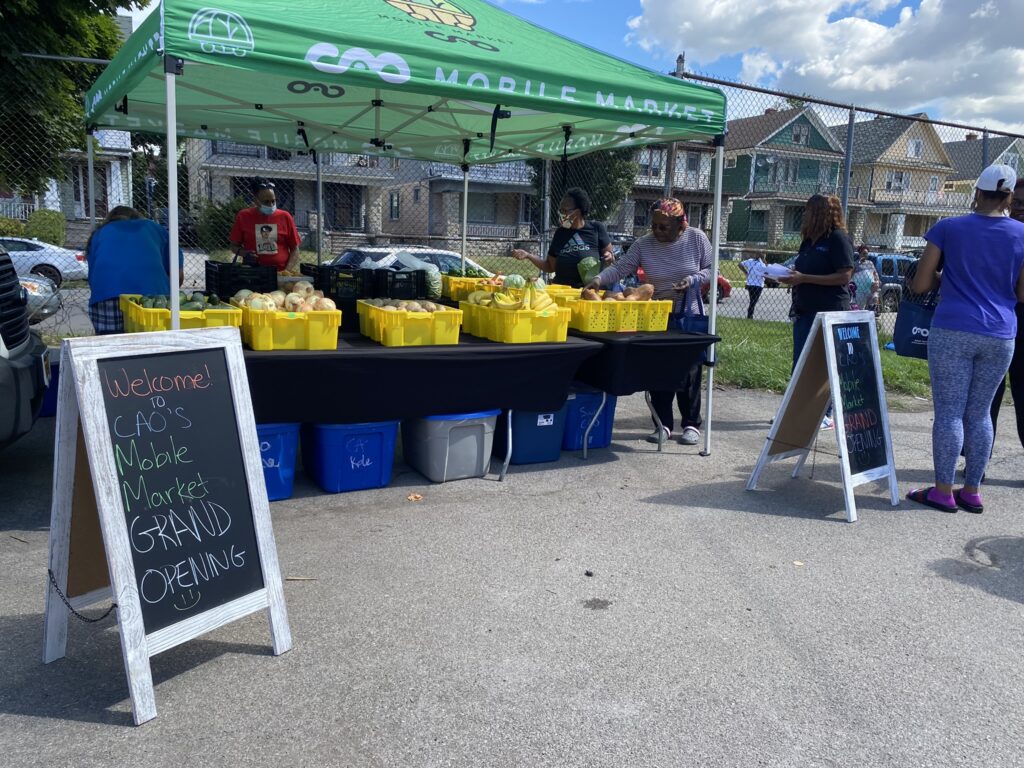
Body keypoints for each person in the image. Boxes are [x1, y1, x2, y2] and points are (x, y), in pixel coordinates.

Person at [907, 164, 1024, 514]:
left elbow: (920, 284)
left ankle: (943, 491)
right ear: (1009, 196)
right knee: (980, 414)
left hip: (954, 328)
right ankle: (971, 490)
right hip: (1001, 332)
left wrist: (950, 278)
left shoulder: (948, 228)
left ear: (977, 192)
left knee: (949, 413)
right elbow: (1021, 292)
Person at [586, 198, 712, 445]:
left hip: (687, 314)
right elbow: (621, 268)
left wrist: (693, 280)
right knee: (658, 370)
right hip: (655, 315)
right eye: (654, 225)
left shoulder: (697, 238)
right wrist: (599, 280)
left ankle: (691, 424)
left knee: (689, 371)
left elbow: (711, 269)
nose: (656, 231)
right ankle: (662, 423)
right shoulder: (645, 244)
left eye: (663, 227)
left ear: (680, 224)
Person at [777, 194, 855, 429]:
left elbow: (845, 275)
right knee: (801, 363)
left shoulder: (838, 239)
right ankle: (796, 411)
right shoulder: (808, 241)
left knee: (824, 364)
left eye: (810, 211)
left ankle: (826, 414)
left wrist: (805, 278)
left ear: (822, 213)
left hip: (829, 312)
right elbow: (801, 269)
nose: (806, 215)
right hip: (804, 310)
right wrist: (788, 274)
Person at [86, 206, 184, 335]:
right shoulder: (155, 229)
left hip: (107, 297)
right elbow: (178, 275)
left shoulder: (99, 234)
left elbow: (94, 275)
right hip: (152, 297)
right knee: (153, 346)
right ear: (137, 216)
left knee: (111, 347)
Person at [511, 187, 612, 287]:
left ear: (578, 211)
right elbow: (550, 267)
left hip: (588, 291)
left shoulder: (596, 228)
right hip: (562, 291)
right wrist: (528, 255)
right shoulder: (560, 233)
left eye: (564, 210)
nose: (561, 214)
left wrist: (609, 256)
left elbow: (609, 256)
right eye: (560, 210)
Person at [989, 179, 1024, 453]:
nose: (1020, 209)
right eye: (1017, 203)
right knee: (988, 395)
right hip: (996, 325)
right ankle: (978, 461)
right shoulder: (1001, 233)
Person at [229, 180, 301, 272]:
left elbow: (295, 249)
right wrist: (245, 253)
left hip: (280, 272)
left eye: (273, 201)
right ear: (256, 200)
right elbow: (234, 246)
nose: (271, 205)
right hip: (253, 271)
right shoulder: (243, 216)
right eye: (266, 202)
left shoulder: (285, 217)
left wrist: (286, 271)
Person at [739, 252, 767, 319]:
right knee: (754, 300)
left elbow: (740, 264)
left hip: (750, 284)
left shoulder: (750, 261)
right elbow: (766, 271)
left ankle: (750, 313)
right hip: (758, 285)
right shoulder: (762, 265)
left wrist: (746, 272)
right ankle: (750, 313)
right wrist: (764, 261)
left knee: (752, 299)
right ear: (763, 257)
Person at [852, 245, 880, 312]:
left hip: (870, 290)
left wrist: (877, 282)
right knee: (859, 310)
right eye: (864, 253)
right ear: (859, 253)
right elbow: (850, 276)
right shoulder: (855, 264)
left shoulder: (870, 263)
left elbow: (875, 274)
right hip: (859, 291)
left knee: (871, 309)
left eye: (867, 253)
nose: (866, 255)